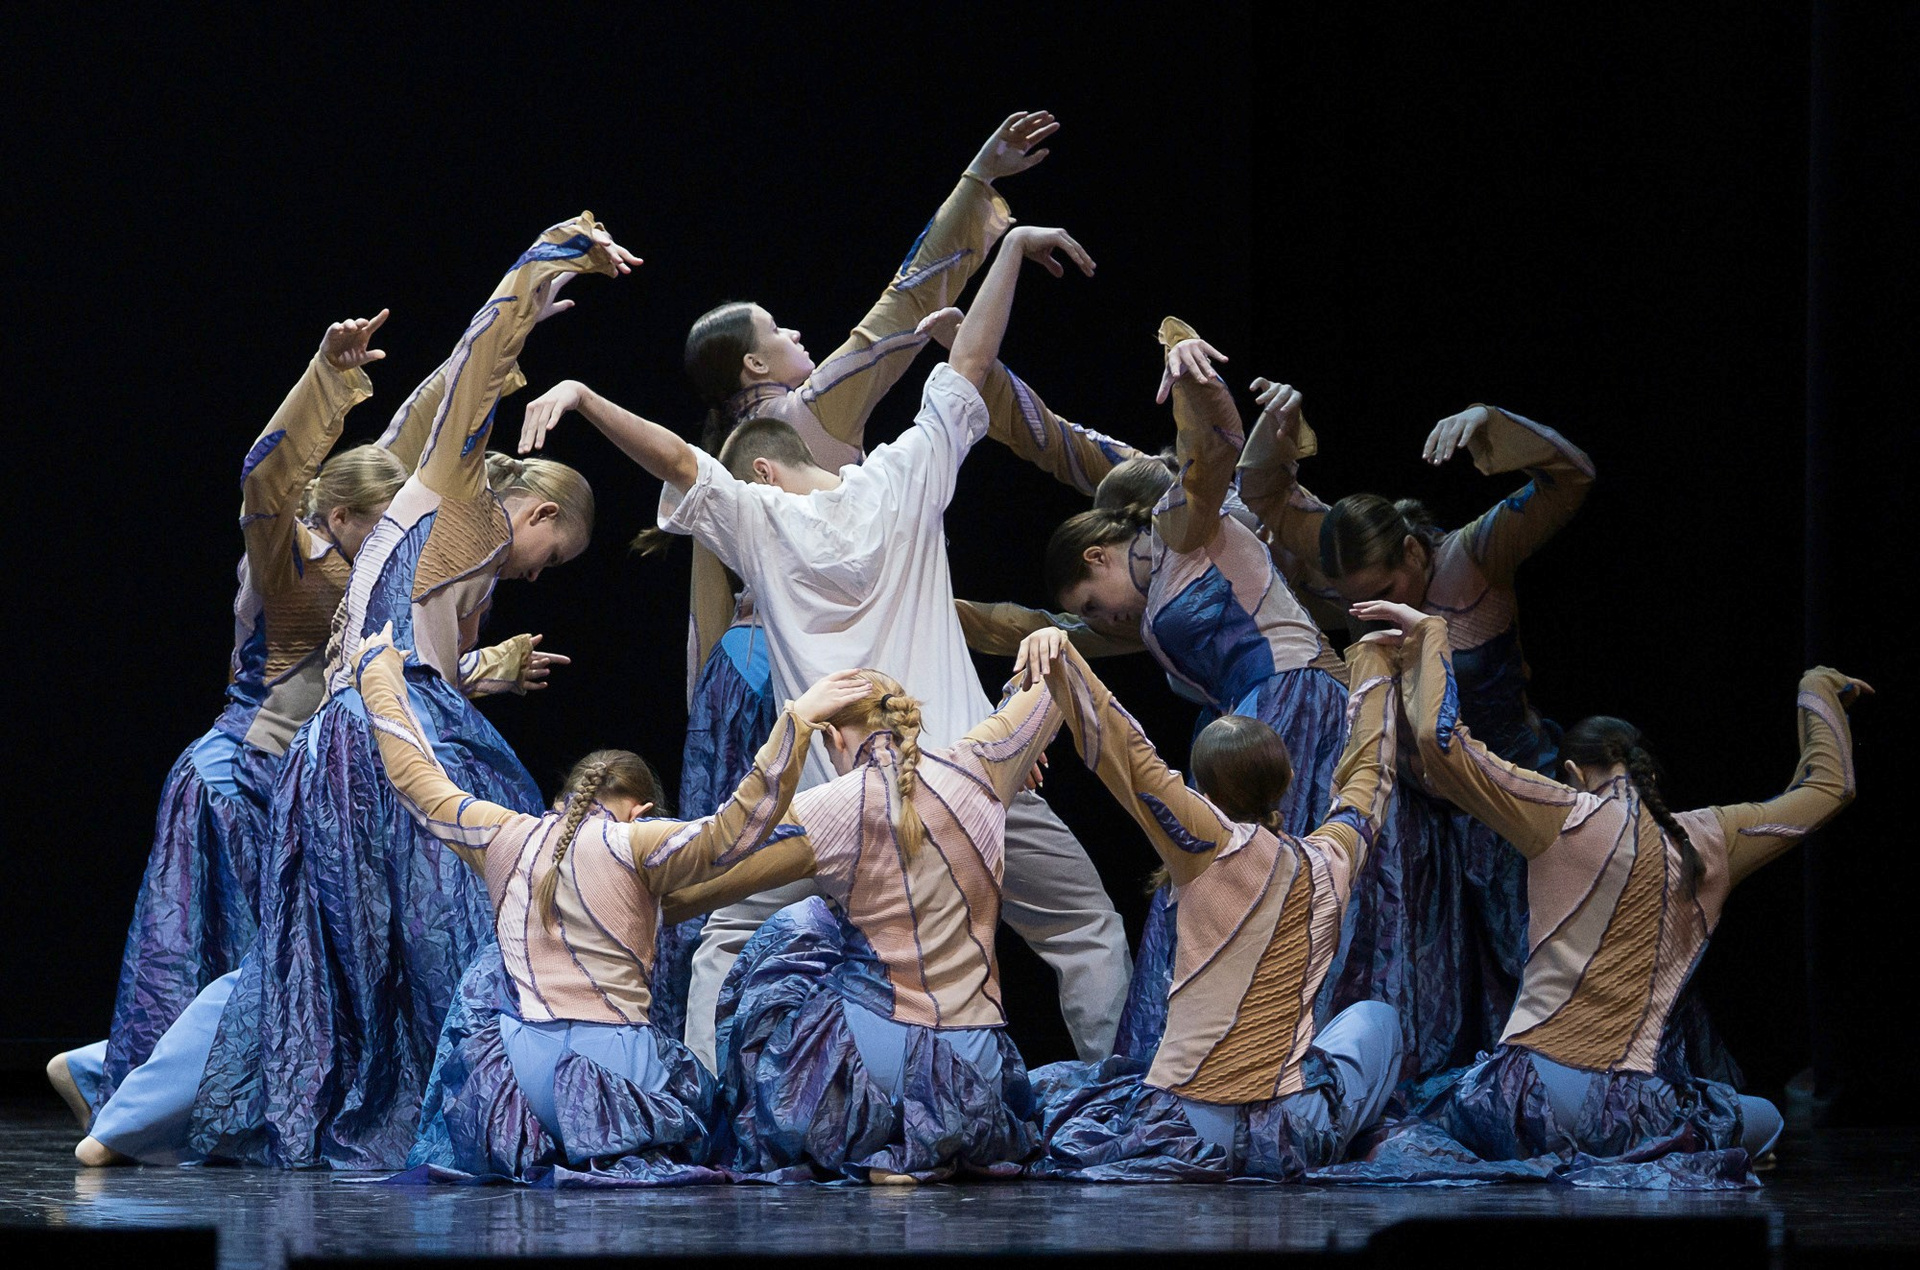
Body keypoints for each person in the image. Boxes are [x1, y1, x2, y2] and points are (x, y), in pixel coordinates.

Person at [519, 220, 1132, 1073]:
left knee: (728, 936)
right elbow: (971, 363)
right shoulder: (904, 477)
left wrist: (585, 397)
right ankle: (1116, 1093)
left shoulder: (760, 520)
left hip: (832, 799)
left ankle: (702, 1099)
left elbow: (680, 462)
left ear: (760, 471)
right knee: (1086, 929)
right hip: (966, 777)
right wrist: (1011, 252)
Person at [174, 215, 633, 1171]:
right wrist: (539, 266)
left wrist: (487, 670)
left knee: (346, 957)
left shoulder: (442, 545)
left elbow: (440, 401)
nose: (541, 574)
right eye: (553, 553)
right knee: (430, 931)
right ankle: (496, 1103)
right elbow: (454, 391)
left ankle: (460, 1098)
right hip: (317, 751)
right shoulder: (408, 511)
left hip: (374, 736)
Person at [1317, 599, 1866, 1188]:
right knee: (1762, 1117)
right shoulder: (1713, 837)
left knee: (1415, 1109)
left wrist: (1432, 636)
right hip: (1633, 1116)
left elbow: (1440, 744)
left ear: (1575, 773)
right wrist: (1817, 690)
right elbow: (1828, 789)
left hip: (1530, 1102)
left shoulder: (1563, 812)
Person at [47, 315, 409, 1128]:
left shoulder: (363, 573)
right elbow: (265, 476)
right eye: (380, 525)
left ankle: (104, 1071)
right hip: (236, 778)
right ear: (341, 514)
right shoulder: (285, 554)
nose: (391, 543)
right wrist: (326, 374)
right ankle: (121, 1099)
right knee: (228, 964)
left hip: (281, 782)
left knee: (261, 964)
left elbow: (430, 411)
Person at [340, 625, 868, 1182]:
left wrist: (377, 673)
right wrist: (796, 722)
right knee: (714, 1110)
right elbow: (735, 829)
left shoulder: (501, 834)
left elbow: (416, 779)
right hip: (614, 1074)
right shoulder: (636, 843)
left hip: (517, 1080)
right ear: (642, 812)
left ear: (561, 799)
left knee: (489, 988)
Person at [1240, 387, 1599, 1076]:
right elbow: (1262, 492)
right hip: (1417, 811)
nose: (1375, 608)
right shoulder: (1340, 558)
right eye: (1356, 602)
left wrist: (1491, 423)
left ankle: (1567, 1091)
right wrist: (1280, 422)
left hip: (1508, 797)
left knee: (1534, 956)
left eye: (1386, 590)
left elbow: (1571, 477)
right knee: (1419, 978)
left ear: (1411, 550)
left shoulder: (1475, 555)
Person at [1034, 331, 1353, 1060]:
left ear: (1098, 554)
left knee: (1265, 879)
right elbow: (1010, 624)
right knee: (1213, 880)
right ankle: (1197, 1055)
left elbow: (1213, 450)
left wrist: (1190, 376)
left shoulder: (1181, 531)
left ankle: (1274, 1051)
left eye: (1091, 603)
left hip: (1295, 702)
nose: (1101, 622)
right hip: (1253, 721)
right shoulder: (1151, 605)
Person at [1012, 625, 1403, 1180]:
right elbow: (1369, 779)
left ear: (1202, 790)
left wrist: (1063, 658)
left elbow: (1128, 755)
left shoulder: (1204, 844)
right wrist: (1374, 665)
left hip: (1186, 1129)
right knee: (1376, 1020)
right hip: (1286, 1134)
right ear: (1290, 777)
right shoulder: (1332, 857)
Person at [652, 666, 1063, 1181]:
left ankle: (872, 1142)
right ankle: (940, 1147)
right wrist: (1043, 651)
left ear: (833, 737)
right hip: (977, 1067)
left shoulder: (829, 806)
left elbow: (705, 876)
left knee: (798, 931)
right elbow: (1056, 684)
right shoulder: (981, 766)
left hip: (880, 1067)